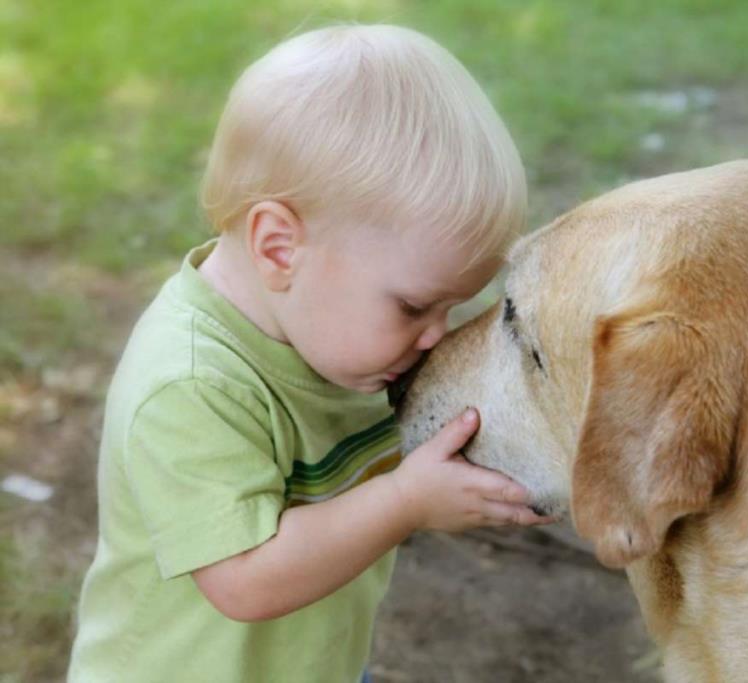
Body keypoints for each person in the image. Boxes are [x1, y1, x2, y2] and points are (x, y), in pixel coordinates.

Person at [67, 23, 550, 683]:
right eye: (413, 306)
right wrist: (407, 501)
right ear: (278, 248)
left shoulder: (341, 339)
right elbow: (245, 580)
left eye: (452, 306)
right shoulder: (190, 384)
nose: (436, 334)